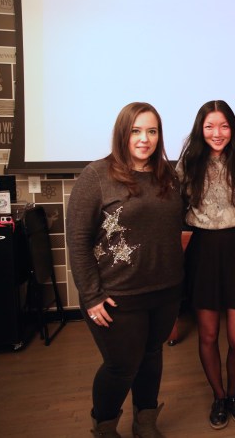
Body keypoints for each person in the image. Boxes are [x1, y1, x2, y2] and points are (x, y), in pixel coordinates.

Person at [66, 102, 184, 438]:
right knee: (121, 366)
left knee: (151, 356)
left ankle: (145, 422)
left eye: (152, 131)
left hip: (165, 291)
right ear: (122, 133)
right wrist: (90, 296)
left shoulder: (167, 175)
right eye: (136, 131)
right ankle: (104, 428)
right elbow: (77, 240)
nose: (144, 139)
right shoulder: (97, 176)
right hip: (117, 296)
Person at [177, 100, 235, 431]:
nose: (217, 132)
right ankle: (219, 396)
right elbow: (174, 209)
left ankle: (234, 393)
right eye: (210, 126)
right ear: (201, 128)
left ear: (233, 129)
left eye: (224, 126)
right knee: (209, 335)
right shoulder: (188, 166)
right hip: (202, 252)